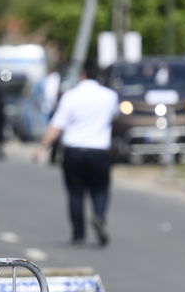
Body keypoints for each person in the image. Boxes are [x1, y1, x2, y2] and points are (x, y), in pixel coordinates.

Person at [30, 61, 120, 246]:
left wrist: (42, 147)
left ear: (82, 75)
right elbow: (115, 117)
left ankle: (79, 234)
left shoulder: (71, 96)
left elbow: (57, 125)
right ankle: (100, 216)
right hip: (99, 150)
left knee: (75, 193)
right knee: (100, 189)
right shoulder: (109, 96)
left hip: (74, 150)